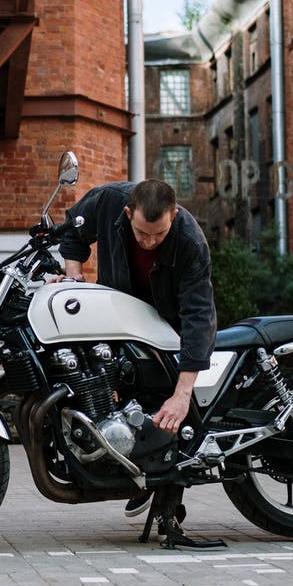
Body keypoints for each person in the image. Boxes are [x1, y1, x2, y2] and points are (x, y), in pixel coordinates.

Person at [56, 179, 217, 518]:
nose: (149, 242)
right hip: (118, 315)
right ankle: (131, 467)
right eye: (142, 233)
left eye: (158, 235)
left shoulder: (190, 241)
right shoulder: (109, 201)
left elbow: (199, 315)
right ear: (128, 213)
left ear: (173, 215)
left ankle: (164, 494)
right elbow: (73, 232)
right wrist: (73, 278)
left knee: (165, 403)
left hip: (165, 326)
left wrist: (182, 392)